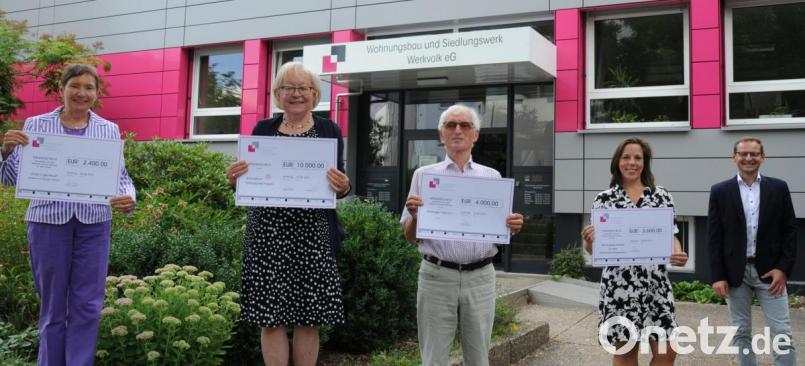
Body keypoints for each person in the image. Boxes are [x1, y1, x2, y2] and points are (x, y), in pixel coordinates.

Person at [0, 64, 136, 366]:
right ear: (62, 89)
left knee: (88, 305)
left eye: (89, 88)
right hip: (48, 222)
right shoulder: (35, 125)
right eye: (75, 85)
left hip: (94, 224)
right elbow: (11, 178)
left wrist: (130, 197)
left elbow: (121, 177)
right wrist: (6, 151)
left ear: (97, 94)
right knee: (52, 306)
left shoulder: (108, 129)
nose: (82, 93)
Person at [225, 61, 350, 366]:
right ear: (277, 94)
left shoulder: (329, 130)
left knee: (309, 317)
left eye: (303, 88)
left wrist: (343, 186)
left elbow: (340, 184)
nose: (296, 94)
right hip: (268, 234)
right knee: (271, 317)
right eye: (288, 88)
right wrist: (234, 180)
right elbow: (249, 181)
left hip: (313, 234)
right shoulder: (263, 130)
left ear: (314, 93)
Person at [400, 104, 524, 366]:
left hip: (480, 277)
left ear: (475, 135)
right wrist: (414, 217)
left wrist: (512, 225)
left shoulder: (492, 177)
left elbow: (500, 229)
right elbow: (409, 237)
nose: (458, 130)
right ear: (441, 134)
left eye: (465, 125)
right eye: (451, 125)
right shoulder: (423, 176)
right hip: (436, 276)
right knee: (433, 358)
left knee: (478, 357)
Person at [581, 137, 688, 366]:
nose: (632, 162)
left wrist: (678, 253)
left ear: (645, 162)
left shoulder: (661, 196)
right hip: (619, 286)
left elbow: (671, 235)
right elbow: (594, 250)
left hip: (656, 284)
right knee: (627, 352)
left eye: (637, 158)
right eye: (626, 157)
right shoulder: (604, 199)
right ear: (617, 162)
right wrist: (589, 241)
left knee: (668, 351)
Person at [708, 136, 797, 365]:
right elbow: (714, 237)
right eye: (743, 154)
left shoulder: (778, 188)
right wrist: (718, 275)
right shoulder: (720, 191)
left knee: (781, 333)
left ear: (762, 157)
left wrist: (783, 269)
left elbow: (790, 232)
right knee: (741, 332)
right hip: (734, 273)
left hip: (771, 274)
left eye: (754, 154)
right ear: (734, 157)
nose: (749, 158)